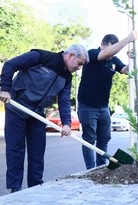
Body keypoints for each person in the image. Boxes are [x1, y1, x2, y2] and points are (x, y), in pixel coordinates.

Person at [0, 44, 89, 193]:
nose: (79, 68)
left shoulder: (67, 77)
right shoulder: (40, 57)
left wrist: (66, 123)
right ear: (71, 55)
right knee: (16, 148)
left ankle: (35, 188)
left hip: (37, 113)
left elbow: (64, 100)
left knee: (37, 151)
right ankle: (15, 188)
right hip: (17, 107)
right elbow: (10, 65)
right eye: (79, 63)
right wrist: (5, 89)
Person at [77, 31, 137, 169]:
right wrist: (127, 39)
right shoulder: (91, 54)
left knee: (103, 139)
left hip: (103, 107)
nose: (113, 53)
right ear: (103, 44)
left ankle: (100, 167)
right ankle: (90, 169)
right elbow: (106, 53)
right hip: (87, 106)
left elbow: (125, 70)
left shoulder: (113, 60)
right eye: (112, 47)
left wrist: (130, 60)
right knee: (89, 140)